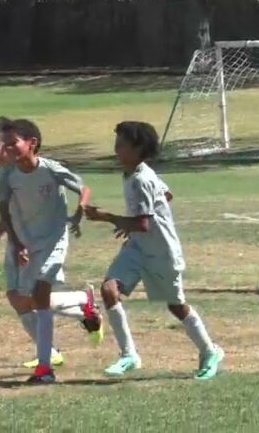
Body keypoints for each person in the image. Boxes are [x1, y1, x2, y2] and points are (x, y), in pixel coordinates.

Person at [84, 121, 225, 380]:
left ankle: (210, 351)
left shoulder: (141, 179)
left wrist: (108, 217)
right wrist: (135, 222)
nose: (116, 149)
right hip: (137, 247)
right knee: (108, 290)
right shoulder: (135, 173)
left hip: (161, 252)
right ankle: (129, 355)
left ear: (139, 150)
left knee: (176, 306)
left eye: (122, 144)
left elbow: (143, 223)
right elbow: (166, 195)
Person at [0, 120, 103, 370]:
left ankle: (47, 358)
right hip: (21, 240)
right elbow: (9, 206)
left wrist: (81, 208)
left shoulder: (47, 169)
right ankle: (77, 313)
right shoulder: (8, 175)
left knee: (37, 296)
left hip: (48, 240)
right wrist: (7, 231)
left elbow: (81, 188)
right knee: (18, 298)